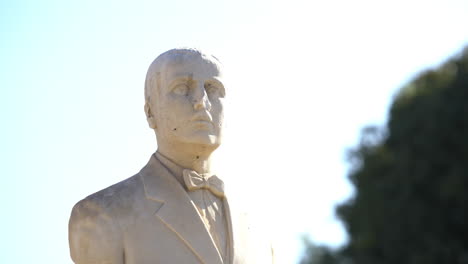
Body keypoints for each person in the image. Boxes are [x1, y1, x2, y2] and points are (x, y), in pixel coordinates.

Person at [68, 48, 273, 264]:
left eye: (213, 88)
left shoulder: (259, 226)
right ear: (150, 112)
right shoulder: (102, 213)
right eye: (182, 88)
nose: (202, 101)